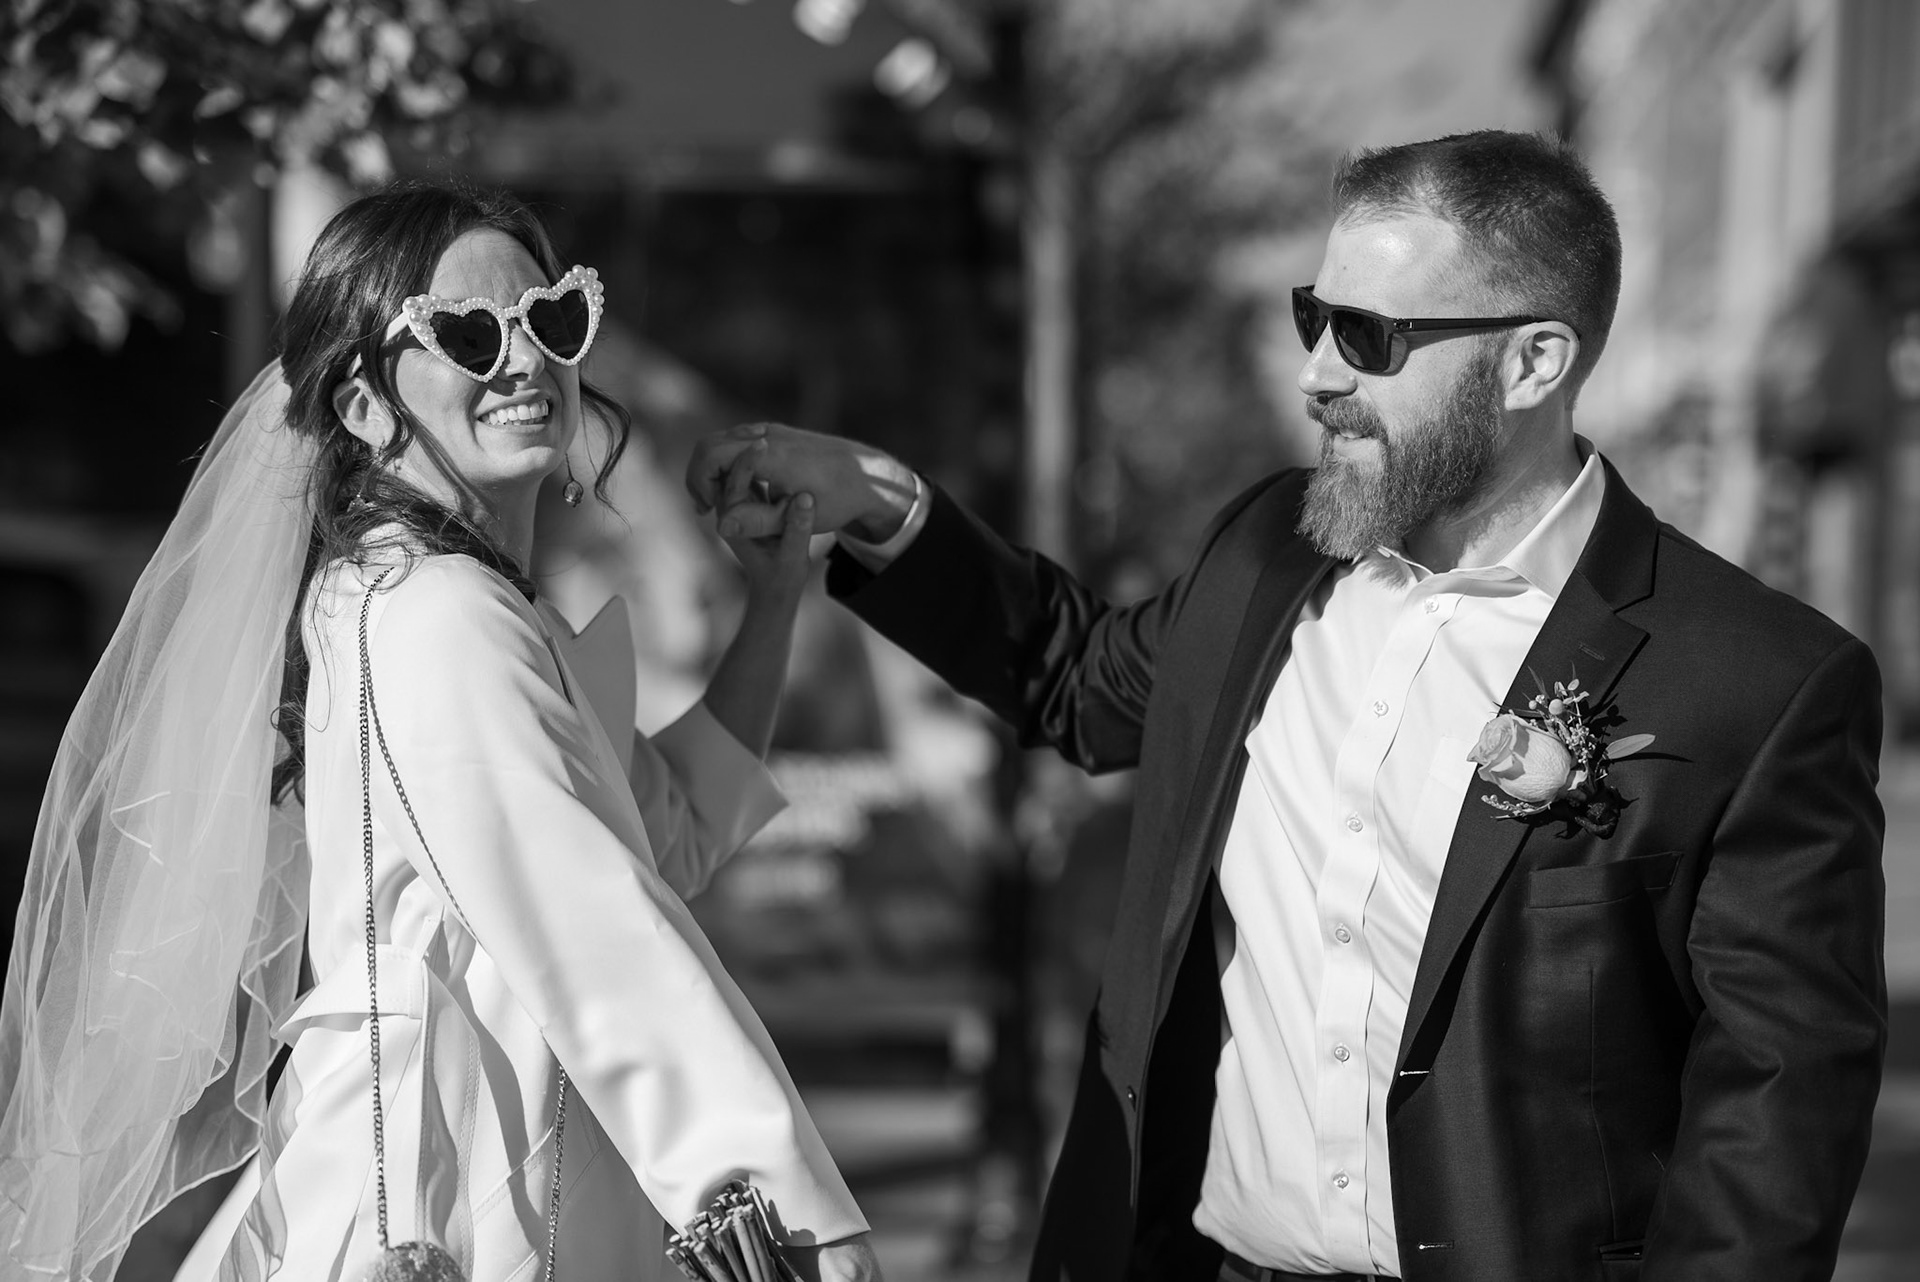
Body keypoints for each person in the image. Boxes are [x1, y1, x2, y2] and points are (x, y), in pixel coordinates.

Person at [688, 131, 1886, 1281]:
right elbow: (1080, 677)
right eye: (1315, 317)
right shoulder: (1269, 552)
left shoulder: (1758, 682)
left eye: (1369, 336)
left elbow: (1777, 1111)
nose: (1317, 374)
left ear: (1533, 362)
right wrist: (877, 499)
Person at [0, 182, 880, 1282]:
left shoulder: (437, 598)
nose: (524, 361)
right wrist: (787, 1204)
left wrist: (776, 600)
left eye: (551, 318)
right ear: (365, 407)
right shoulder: (438, 613)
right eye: (468, 335)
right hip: (450, 1204)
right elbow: (600, 930)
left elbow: (666, 831)